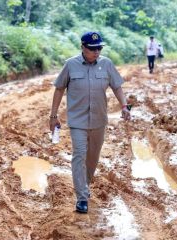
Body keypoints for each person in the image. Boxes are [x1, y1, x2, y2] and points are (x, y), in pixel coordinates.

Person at [49, 31, 131, 214]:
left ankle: (84, 184)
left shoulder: (107, 64)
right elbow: (59, 89)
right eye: (92, 49)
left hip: (99, 120)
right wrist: (53, 116)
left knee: (92, 157)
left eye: (99, 48)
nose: (96, 52)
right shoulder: (71, 65)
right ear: (83, 48)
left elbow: (117, 86)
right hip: (77, 120)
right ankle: (82, 197)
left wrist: (124, 106)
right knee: (79, 154)